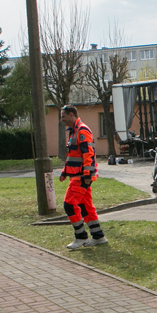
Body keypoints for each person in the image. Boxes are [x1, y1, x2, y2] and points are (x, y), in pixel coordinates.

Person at [59, 105, 108, 249]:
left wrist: (87, 174)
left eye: (63, 116)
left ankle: (81, 237)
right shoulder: (74, 131)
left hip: (81, 177)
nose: (62, 120)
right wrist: (64, 172)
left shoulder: (82, 131)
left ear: (71, 115)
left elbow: (88, 154)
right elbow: (73, 156)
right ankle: (98, 236)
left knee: (69, 205)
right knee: (85, 207)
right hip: (77, 176)